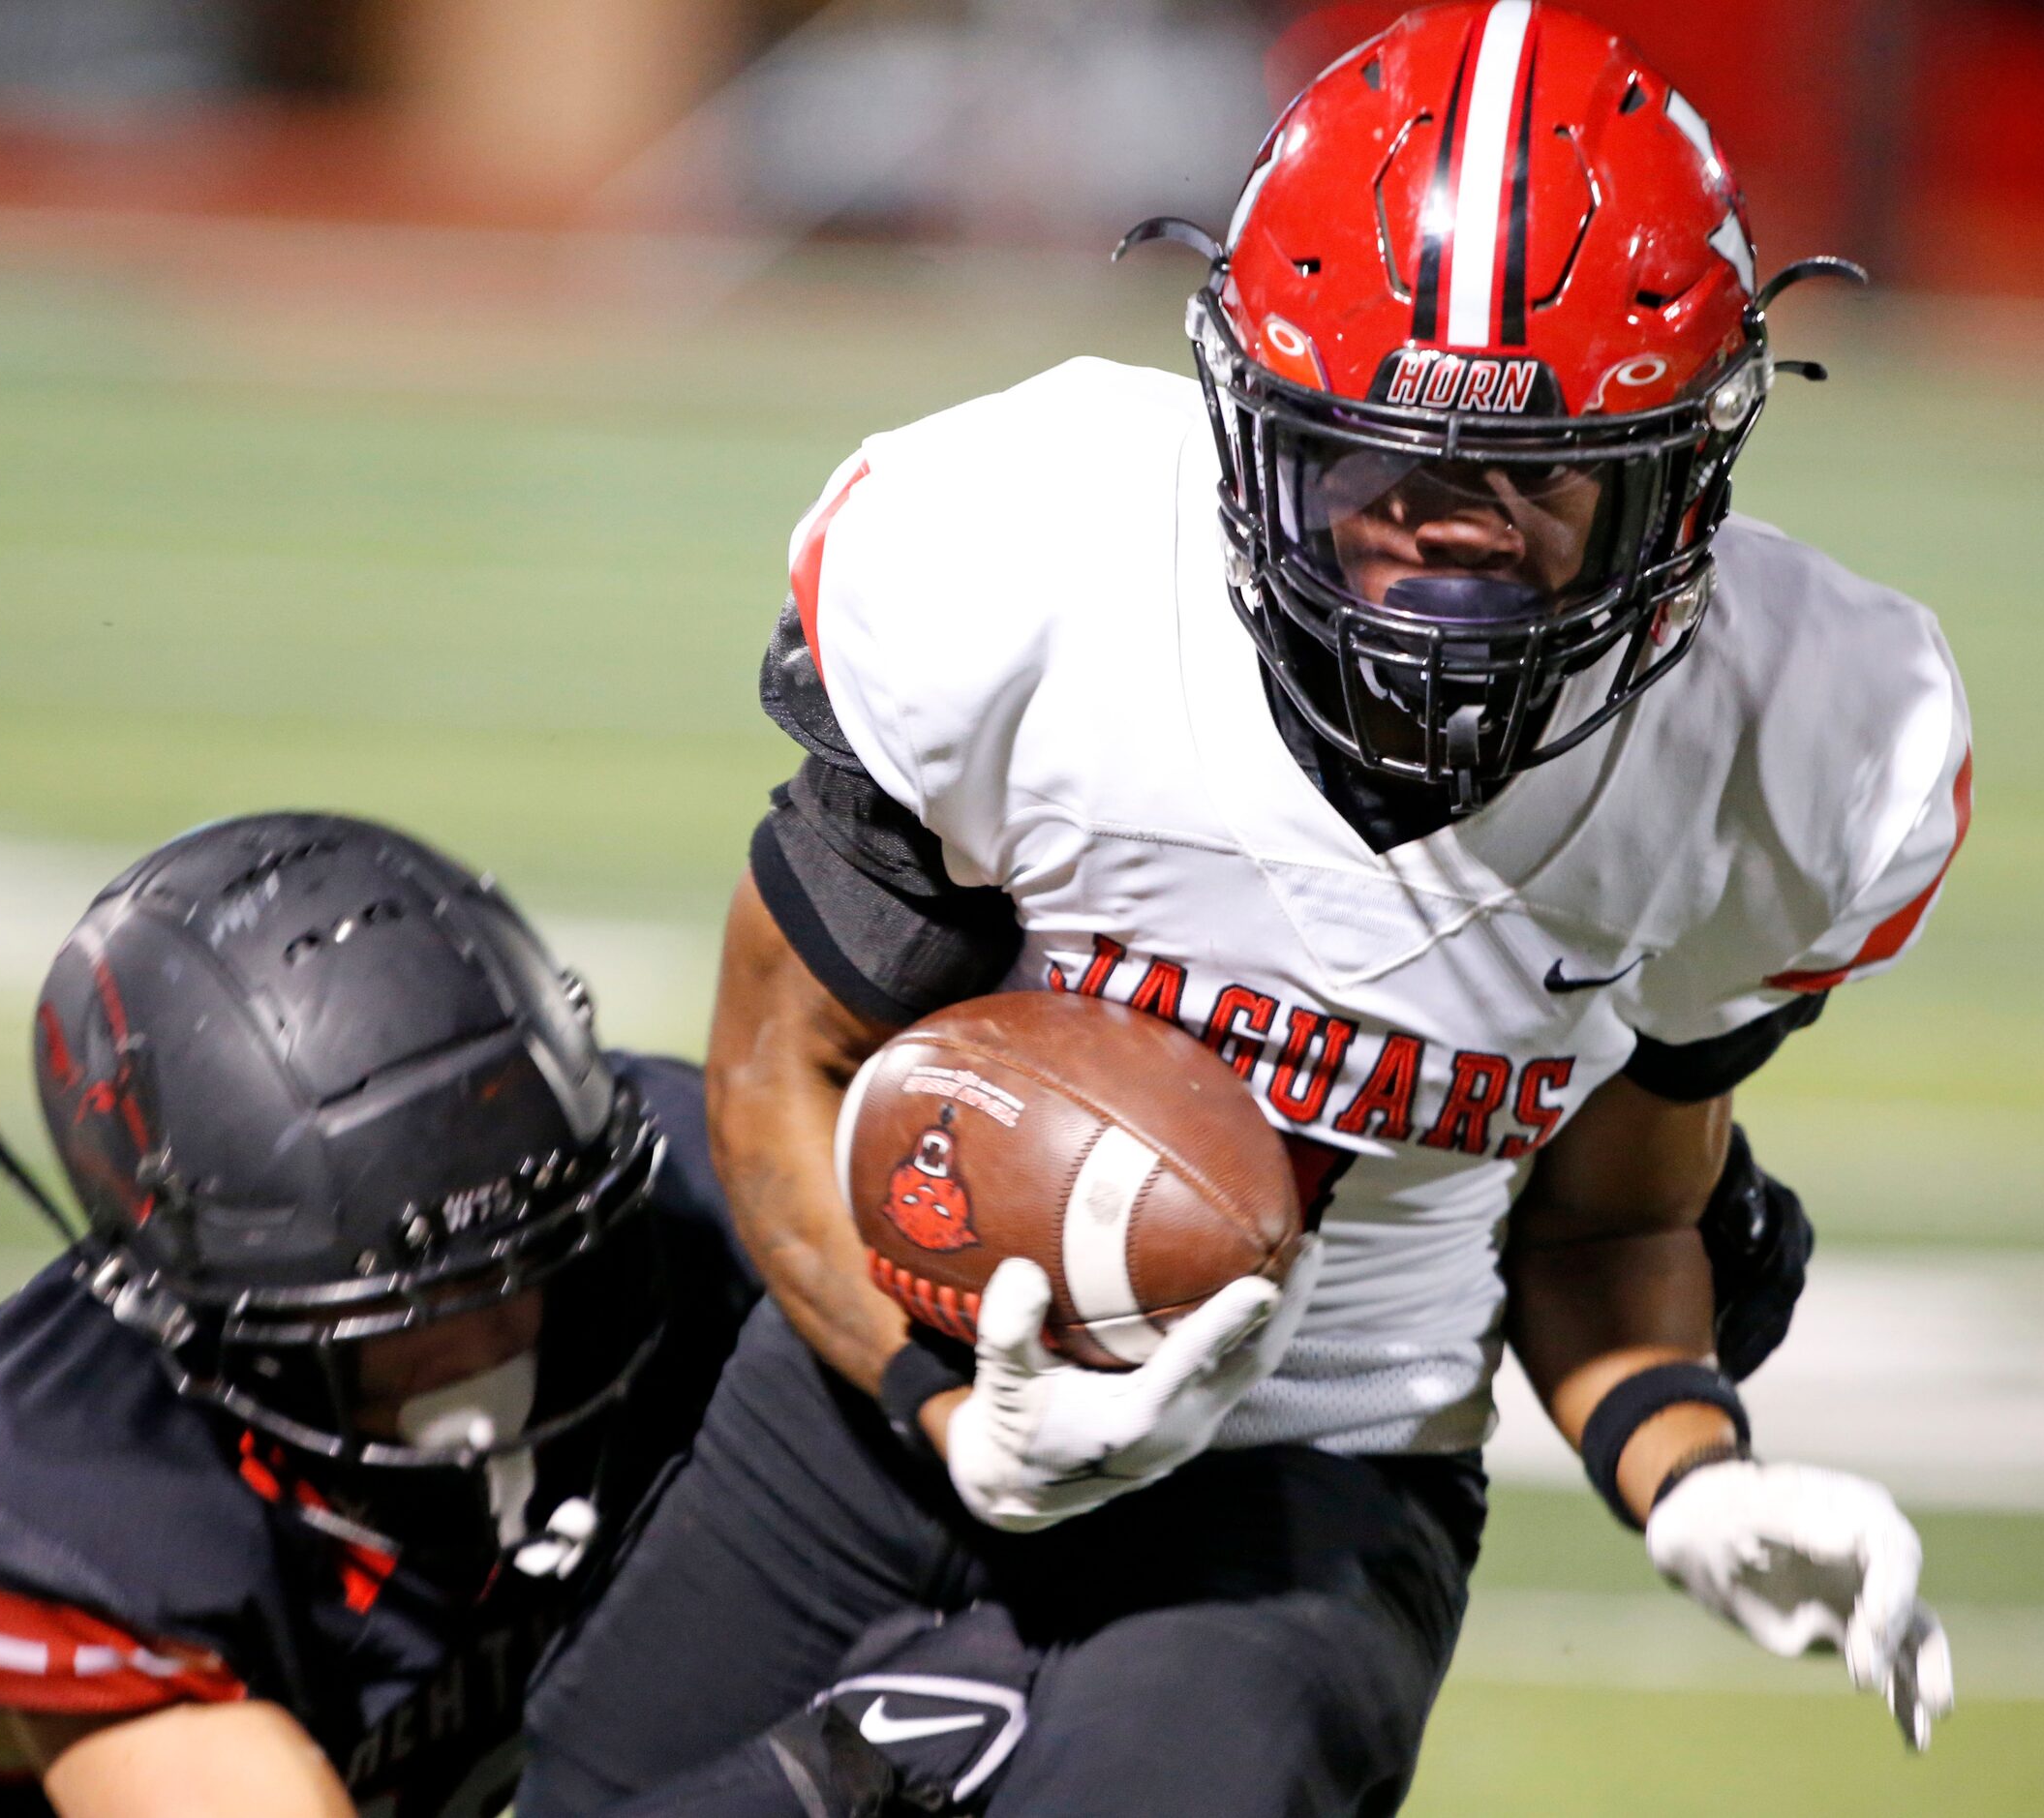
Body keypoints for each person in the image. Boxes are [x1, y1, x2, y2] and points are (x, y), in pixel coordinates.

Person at [518, 7, 1963, 1814]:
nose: (1450, 542)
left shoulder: (1792, 737)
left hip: (1318, 1469)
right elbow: (775, 1071)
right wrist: (947, 1411)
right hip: (891, 1374)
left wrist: (1692, 1467)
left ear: (1685, 485)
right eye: (1377, 472)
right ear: (1239, 414)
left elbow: (1607, 1232)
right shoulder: (1030, 558)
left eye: (1543, 485)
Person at [0, 811, 759, 1817]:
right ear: (207, 1309)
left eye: (520, 1263)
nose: (488, 1340)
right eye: (404, 1307)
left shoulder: (681, 1207)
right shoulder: (62, 1494)